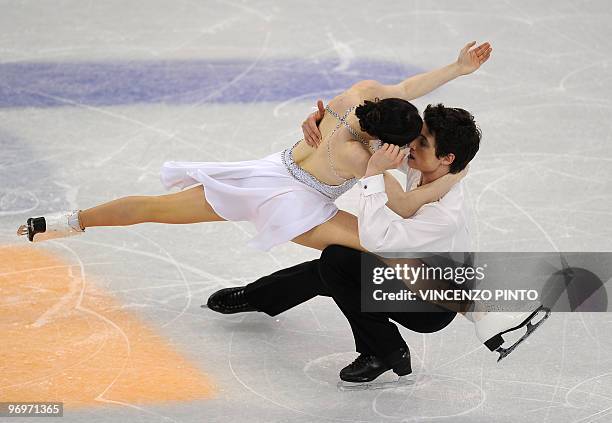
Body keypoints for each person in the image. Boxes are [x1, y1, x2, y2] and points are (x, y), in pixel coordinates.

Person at [16, 42, 492, 253]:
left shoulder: (357, 96)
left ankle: (64, 222)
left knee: (155, 208)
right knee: (379, 244)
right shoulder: (364, 158)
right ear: (383, 140)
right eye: (406, 143)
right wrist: (455, 175)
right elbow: (405, 205)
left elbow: (407, 85)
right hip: (294, 203)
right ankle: (463, 305)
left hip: (266, 172)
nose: (409, 151)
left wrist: (456, 68)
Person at [207, 105, 549, 386]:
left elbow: (377, 239)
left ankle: (385, 350)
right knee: (329, 272)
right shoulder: (429, 168)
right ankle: (257, 297)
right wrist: (327, 124)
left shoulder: (445, 215)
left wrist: (372, 175)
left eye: (423, 143)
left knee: (337, 262)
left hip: (429, 305)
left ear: (447, 157)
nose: (411, 147)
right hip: (413, 274)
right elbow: (375, 136)